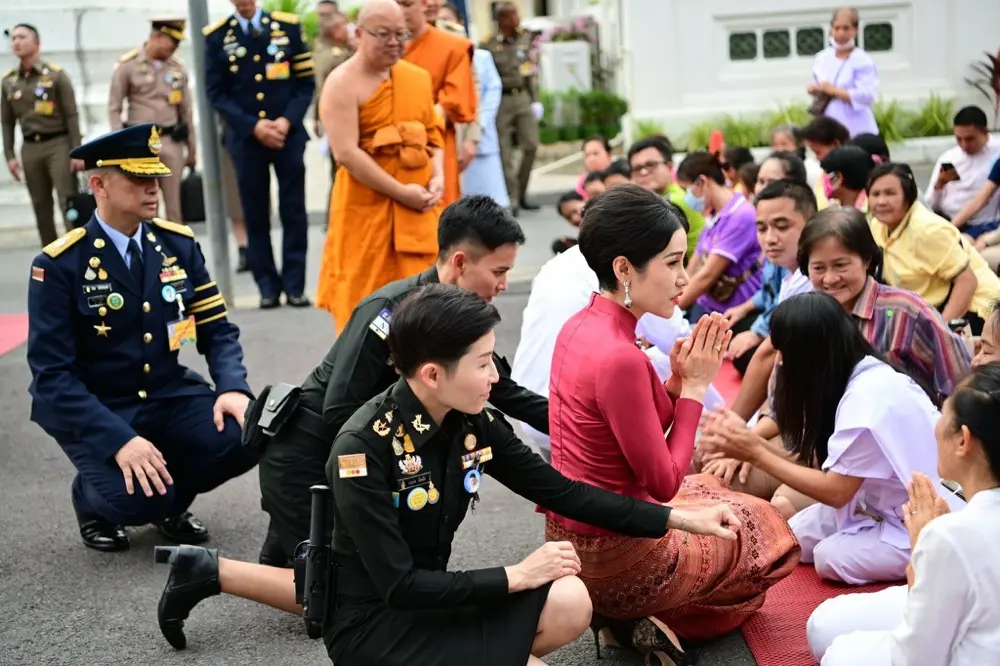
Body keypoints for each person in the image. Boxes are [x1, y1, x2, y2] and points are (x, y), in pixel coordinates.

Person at [153, 284, 743, 662]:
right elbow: (401, 587)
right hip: (378, 628)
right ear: (431, 374)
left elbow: (561, 491)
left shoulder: (471, 421)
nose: (495, 377)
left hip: (434, 606)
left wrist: (677, 517)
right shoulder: (362, 448)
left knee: (571, 599)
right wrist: (516, 574)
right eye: (484, 363)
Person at [543, 185, 799, 662]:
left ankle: (622, 620)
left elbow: (631, 425)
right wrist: (698, 391)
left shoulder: (579, 327)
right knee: (770, 533)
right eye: (672, 262)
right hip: (626, 557)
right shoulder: (621, 356)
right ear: (623, 269)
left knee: (709, 488)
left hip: (570, 547)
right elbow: (662, 482)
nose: (685, 278)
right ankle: (645, 612)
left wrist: (678, 386)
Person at [256, 195, 549, 567]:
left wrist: (591, 427)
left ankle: (288, 551)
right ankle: (215, 571)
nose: (505, 284)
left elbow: (510, 395)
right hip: (308, 458)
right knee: (353, 596)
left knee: (328, 578)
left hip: (340, 455)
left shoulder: (458, 319)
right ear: (460, 262)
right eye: (498, 272)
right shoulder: (390, 310)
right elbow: (340, 410)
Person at [25, 123, 256, 552]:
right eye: (138, 179)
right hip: (101, 406)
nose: (153, 189)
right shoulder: (60, 264)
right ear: (99, 184)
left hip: (167, 393)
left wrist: (233, 387)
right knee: (136, 501)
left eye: (155, 178)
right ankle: (92, 500)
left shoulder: (177, 245)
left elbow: (217, 329)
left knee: (247, 434)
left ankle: (167, 498)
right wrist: (118, 441)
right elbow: (52, 376)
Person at [701, 292, 951, 585]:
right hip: (875, 503)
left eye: (784, 351)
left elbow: (836, 492)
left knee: (829, 557)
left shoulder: (867, 397)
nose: (779, 361)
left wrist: (754, 450)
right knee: (793, 534)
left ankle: (935, 558)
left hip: (925, 517)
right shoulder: (855, 372)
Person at [717, 208, 973, 486]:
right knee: (719, 472)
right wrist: (741, 444)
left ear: (866, 259)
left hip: (891, 456)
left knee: (784, 500)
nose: (829, 279)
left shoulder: (906, 311)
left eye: (841, 265)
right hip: (818, 442)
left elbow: (959, 384)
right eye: (818, 268)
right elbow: (783, 408)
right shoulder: (805, 314)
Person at [806, 363, 1000, 666]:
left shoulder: (949, 536)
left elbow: (917, 658)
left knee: (836, 653)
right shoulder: (958, 527)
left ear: (963, 440)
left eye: (942, 414)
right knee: (823, 626)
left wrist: (925, 550)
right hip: (968, 613)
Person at [315, 0, 444, 331]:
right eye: (383, 34)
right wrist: (401, 192)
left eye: (401, 33)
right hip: (366, 207)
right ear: (358, 34)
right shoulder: (341, 83)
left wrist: (439, 175)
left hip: (417, 207)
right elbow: (346, 153)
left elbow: (432, 136)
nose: (394, 42)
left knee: (422, 305)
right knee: (367, 305)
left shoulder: (416, 78)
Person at [203, 0, 316, 309]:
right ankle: (267, 286)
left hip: (287, 137)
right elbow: (215, 93)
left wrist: (285, 121)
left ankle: (295, 286)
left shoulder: (287, 27)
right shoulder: (217, 36)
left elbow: (305, 84)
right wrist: (253, 126)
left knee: (293, 211)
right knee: (254, 214)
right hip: (247, 140)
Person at [868, 162, 1000, 334]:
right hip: (929, 312)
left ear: (908, 196)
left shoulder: (927, 230)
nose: (881, 201)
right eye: (875, 194)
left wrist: (940, 334)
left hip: (978, 312)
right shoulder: (878, 225)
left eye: (890, 193)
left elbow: (967, 282)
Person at [718, 180, 817, 375]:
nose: (770, 239)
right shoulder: (775, 259)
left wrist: (757, 333)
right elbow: (768, 293)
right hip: (776, 321)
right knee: (732, 328)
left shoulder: (815, 275)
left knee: (748, 357)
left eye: (781, 226)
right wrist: (744, 307)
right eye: (762, 229)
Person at [1, 22, 85, 246]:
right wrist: (9, 155)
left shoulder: (56, 76)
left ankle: (77, 252)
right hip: (30, 148)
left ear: (36, 43)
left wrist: (77, 151)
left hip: (58, 145)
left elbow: (72, 115)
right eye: (14, 38)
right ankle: (51, 257)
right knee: (40, 205)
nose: (16, 42)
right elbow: (7, 122)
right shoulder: (9, 81)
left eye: (22, 37)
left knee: (67, 201)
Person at [108, 18, 197, 224]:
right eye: (171, 42)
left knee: (174, 206)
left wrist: (192, 149)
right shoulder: (128, 65)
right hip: (140, 143)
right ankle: (148, 252)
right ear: (157, 36)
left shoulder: (177, 69)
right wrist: (119, 144)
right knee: (145, 205)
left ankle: (177, 252)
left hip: (170, 140)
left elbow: (187, 111)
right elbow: (114, 108)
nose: (175, 48)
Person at [394, 0, 477, 207]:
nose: (400, 11)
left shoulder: (452, 45)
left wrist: (414, 124)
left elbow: (456, 100)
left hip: (434, 141)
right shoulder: (378, 46)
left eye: (406, 4)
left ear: (424, 6)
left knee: (437, 210)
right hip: (388, 145)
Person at [675, 151, 763, 324]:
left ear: (702, 182)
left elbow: (707, 275)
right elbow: (694, 266)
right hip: (709, 307)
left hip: (734, 316)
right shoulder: (714, 216)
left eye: (687, 189)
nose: (687, 197)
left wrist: (669, 312)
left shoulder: (741, 216)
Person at [481, 2, 543, 216]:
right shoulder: (488, 45)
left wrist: (536, 100)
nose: (517, 19)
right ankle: (513, 198)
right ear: (502, 19)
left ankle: (522, 191)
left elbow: (530, 72)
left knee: (531, 145)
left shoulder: (525, 38)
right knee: (504, 152)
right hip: (502, 100)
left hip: (522, 97)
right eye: (512, 15)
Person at [924, 106, 1000, 239]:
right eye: (959, 139)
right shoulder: (949, 158)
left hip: (981, 225)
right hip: (946, 220)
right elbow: (928, 205)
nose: (964, 145)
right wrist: (939, 185)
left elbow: (980, 200)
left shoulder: (997, 153)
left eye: (970, 139)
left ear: (985, 132)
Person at [628, 136, 706, 258]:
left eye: (650, 164)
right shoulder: (677, 193)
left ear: (669, 167)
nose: (643, 172)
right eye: (637, 168)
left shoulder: (672, 202)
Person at [808, 7, 879, 138]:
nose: (841, 33)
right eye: (837, 28)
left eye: (846, 28)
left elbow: (867, 95)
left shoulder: (862, 60)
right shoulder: (823, 57)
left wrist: (834, 91)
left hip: (856, 124)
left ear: (855, 30)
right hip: (828, 121)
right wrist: (814, 89)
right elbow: (817, 82)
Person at [801, 115, 851, 209]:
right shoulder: (824, 176)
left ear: (836, 144)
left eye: (818, 152)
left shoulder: (852, 180)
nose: (817, 158)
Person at [819, 145, 876, 211]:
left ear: (838, 178)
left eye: (826, 175)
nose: (823, 181)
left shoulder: (875, 211)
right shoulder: (831, 208)